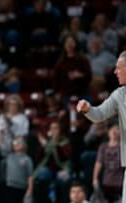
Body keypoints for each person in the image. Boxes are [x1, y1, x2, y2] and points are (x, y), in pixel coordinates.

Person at [76, 50, 126, 203]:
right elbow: (99, 115)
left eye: (119, 67)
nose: (115, 71)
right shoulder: (119, 94)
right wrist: (88, 109)